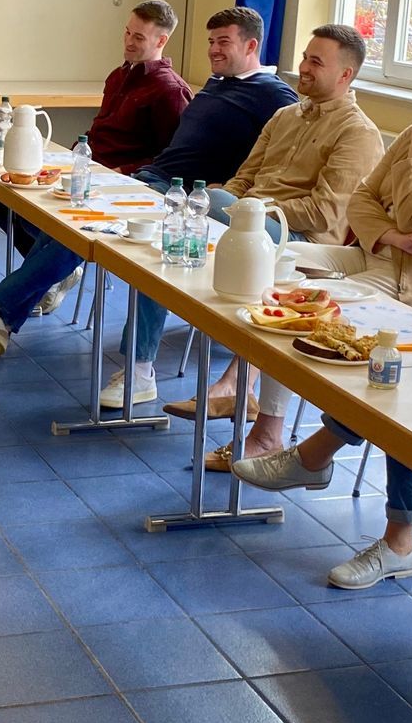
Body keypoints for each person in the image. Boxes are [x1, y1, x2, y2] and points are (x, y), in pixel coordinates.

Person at [230, 36, 412, 592]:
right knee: (276, 274)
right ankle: (278, 432)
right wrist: (392, 234)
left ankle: (312, 459)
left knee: (324, 317)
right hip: (383, 256)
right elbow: (363, 201)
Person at [0, 8, 295, 379]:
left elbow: (286, 152)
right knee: (70, 221)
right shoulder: (219, 83)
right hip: (150, 180)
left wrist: (233, 188)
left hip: (181, 195)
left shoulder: (271, 93)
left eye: (224, 42)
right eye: (211, 41)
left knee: (85, 227)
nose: (213, 50)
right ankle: (3, 313)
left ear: (251, 46)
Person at [164, 23, 384, 439]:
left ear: (346, 74)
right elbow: (243, 179)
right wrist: (232, 204)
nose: (304, 67)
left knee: (204, 206)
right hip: (247, 222)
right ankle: (141, 366)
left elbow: (324, 213)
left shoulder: (358, 133)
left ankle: (232, 387)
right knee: (179, 223)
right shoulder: (285, 115)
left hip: (300, 241)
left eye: (316, 62)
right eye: (304, 57)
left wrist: (250, 210)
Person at [0, 0, 191, 310]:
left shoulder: (170, 90)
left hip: (116, 183)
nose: (128, 41)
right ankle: (54, 273)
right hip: (85, 170)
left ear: (161, 41)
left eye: (139, 37)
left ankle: (23, 291)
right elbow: (98, 132)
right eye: (127, 32)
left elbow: (169, 160)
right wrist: (70, 159)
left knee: (51, 219)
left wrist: (124, 170)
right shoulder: (118, 76)